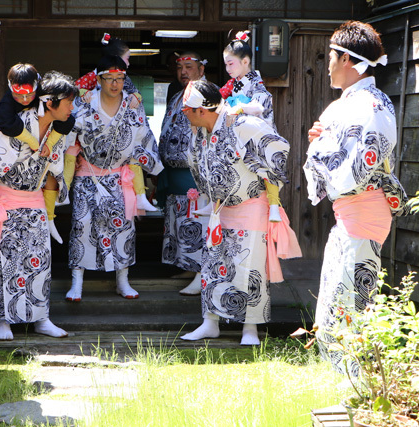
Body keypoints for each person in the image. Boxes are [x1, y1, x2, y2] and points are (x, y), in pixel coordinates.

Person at [304, 21, 407, 374]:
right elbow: (333, 151)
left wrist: (324, 147)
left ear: (346, 59)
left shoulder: (371, 104)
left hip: (362, 210)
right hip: (351, 210)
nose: (327, 63)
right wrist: (322, 141)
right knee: (335, 307)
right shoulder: (353, 103)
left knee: (347, 309)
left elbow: (365, 158)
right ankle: (347, 386)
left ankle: (356, 390)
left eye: (331, 56)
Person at [179, 80, 298, 345]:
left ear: (201, 110)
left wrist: (262, 171)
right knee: (213, 266)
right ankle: (210, 322)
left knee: (250, 267)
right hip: (220, 209)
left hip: (250, 205)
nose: (184, 113)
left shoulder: (241, 125)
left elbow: (278, 147)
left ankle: (250, 329)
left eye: (187, 108)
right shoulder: (200, 133)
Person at [0, 71, 78, 341]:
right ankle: (2, 320)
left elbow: (54, 170)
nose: (72, 109)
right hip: (6, 203)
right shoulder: (14, 123)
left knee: (39, 262)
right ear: (50, 103)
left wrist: (50, 215)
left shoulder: (58, 128)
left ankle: (42, 317)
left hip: (35, 204)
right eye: (68, 102)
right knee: (4, 262)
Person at [64, 55, 163, 302]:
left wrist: (142, 160)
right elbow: (68, 137)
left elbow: (143, 137)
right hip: (87, 176)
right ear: (99, 79)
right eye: (109, 79)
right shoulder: (83, 103)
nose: (115, 84)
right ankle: (77, 281)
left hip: (120, 178)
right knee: (82, 226)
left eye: (120, 79)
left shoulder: (132, 104)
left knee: (123, 228)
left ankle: (123, 279)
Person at [0, 63, 76, 245]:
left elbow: (55, 165)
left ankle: (50, 218)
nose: (24, 99)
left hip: (37, 205)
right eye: (18, 95)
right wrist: (32, 141)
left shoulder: (53, 111)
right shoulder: (10, 109)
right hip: (7, 205)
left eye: (29, 94)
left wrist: (49, 143)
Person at [75, 33, 156, 212]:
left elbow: (136, 95)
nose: (129, 63)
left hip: (120, 170)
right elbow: (74, 89)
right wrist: (83, 93)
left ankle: (141, 195)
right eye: (127, 59)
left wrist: (137, 96)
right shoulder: (94, 79)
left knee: (136, 149)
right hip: (89, 169)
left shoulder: (124, 80)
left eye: (119, 78)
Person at [157, 51, 210, 295]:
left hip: (196, 173)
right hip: (174, 173)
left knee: (196, 223)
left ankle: (202, 273)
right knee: (179, 224)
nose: (184, 72)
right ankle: (189, 267)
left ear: (201, 68)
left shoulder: (210, 95)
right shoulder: (177, 96)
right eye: (180, 68)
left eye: (189, 67)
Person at [221, 31, 283, 222]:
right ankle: (216, 200)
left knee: (269, 165)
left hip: (258, 132)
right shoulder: (234, 84)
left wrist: (240, 106)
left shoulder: (256, 82)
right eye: (226, 64)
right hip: (237, 133)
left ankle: (274, 205)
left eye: (231, 63)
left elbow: (260, 106)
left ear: (245, 62)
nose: (227, 68)